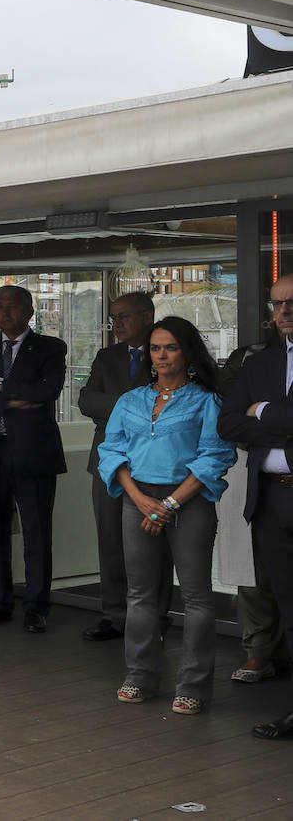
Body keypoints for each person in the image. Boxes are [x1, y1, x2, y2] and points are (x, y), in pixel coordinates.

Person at [98, 316, 235, 715]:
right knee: (139, 593)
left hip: (189, 502)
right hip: (136, 500)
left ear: (188, 352)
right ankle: (139, 675)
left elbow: (215, 457)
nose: (161, 355)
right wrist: (140, 500)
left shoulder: (207, 401)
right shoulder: (130, 400)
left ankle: (193, 685)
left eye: (170, 347)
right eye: (156, 348)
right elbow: (112, 451)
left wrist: (171, 504)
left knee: (196, 597)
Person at [0, 285, 67, 634]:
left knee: (37, 533)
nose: (4, 313)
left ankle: (37, 607)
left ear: (29, 311)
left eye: (12, 307)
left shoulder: (50, 347)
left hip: (33, 451)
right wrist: (15, 396)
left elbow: (47, 391)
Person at [218, 273, 293, 740]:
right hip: (272, 499)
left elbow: (251, 417)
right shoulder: (260, 363)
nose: (284, 311)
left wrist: (262, 412)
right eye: (278, 304)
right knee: (289, 605)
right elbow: (228, 423)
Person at [78, 291, 163, 643]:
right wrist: (133, 405)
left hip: (153, 462)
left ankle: (155, 620)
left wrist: (117, 409)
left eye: (124, 316)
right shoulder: (107, 356)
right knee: (110, 540)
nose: (117, 324)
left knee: (153, 543)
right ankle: (114, 615)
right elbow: (86, 400)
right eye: (113, 317)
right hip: (109, 461)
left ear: (147, 316)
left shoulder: (165, 351)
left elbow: (168, 402)